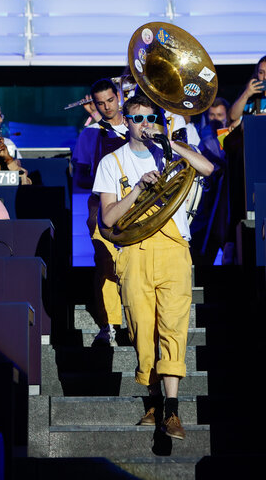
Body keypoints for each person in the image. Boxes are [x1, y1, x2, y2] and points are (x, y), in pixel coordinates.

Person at [93, 93, 214, 440]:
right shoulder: (111, 163)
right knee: (142, 332)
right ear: (126, 123)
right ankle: (153, 401)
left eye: (150, 118)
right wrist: (138, 191)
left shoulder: (169, 151)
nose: (144, 125)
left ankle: (173, 411)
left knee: (173, 327)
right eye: (137, 119)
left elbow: (208, 169)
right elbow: (109, 217)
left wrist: (174, 146)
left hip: (174, 245)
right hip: (134, 249)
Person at [72, 78, 129, 344]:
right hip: (102, 203)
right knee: (106, 262)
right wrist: (102, 178)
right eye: (100, 103)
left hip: (137, 204)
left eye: (110, 100)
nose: (106, 107)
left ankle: (135, 321)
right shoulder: (90, 134)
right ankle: (109, 325)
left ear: (119, 97)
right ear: (92, 104)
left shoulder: (137, 125)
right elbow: (80, 178)